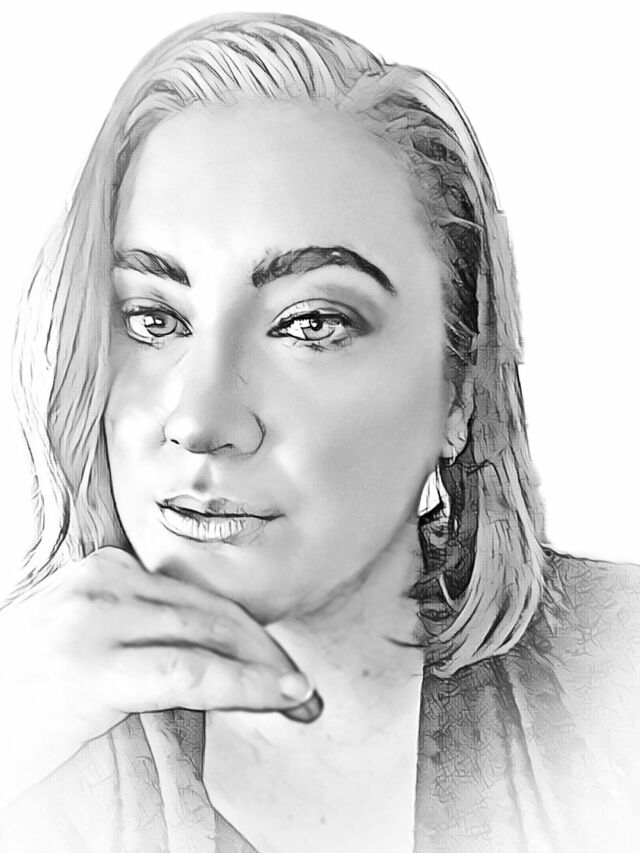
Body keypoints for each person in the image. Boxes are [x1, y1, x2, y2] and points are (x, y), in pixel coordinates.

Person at [0, 11, 638, 853]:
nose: (201, 421)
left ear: (460, 387)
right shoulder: (38, 743)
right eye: (153, 317)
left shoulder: (618, 678)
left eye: (311, 324)